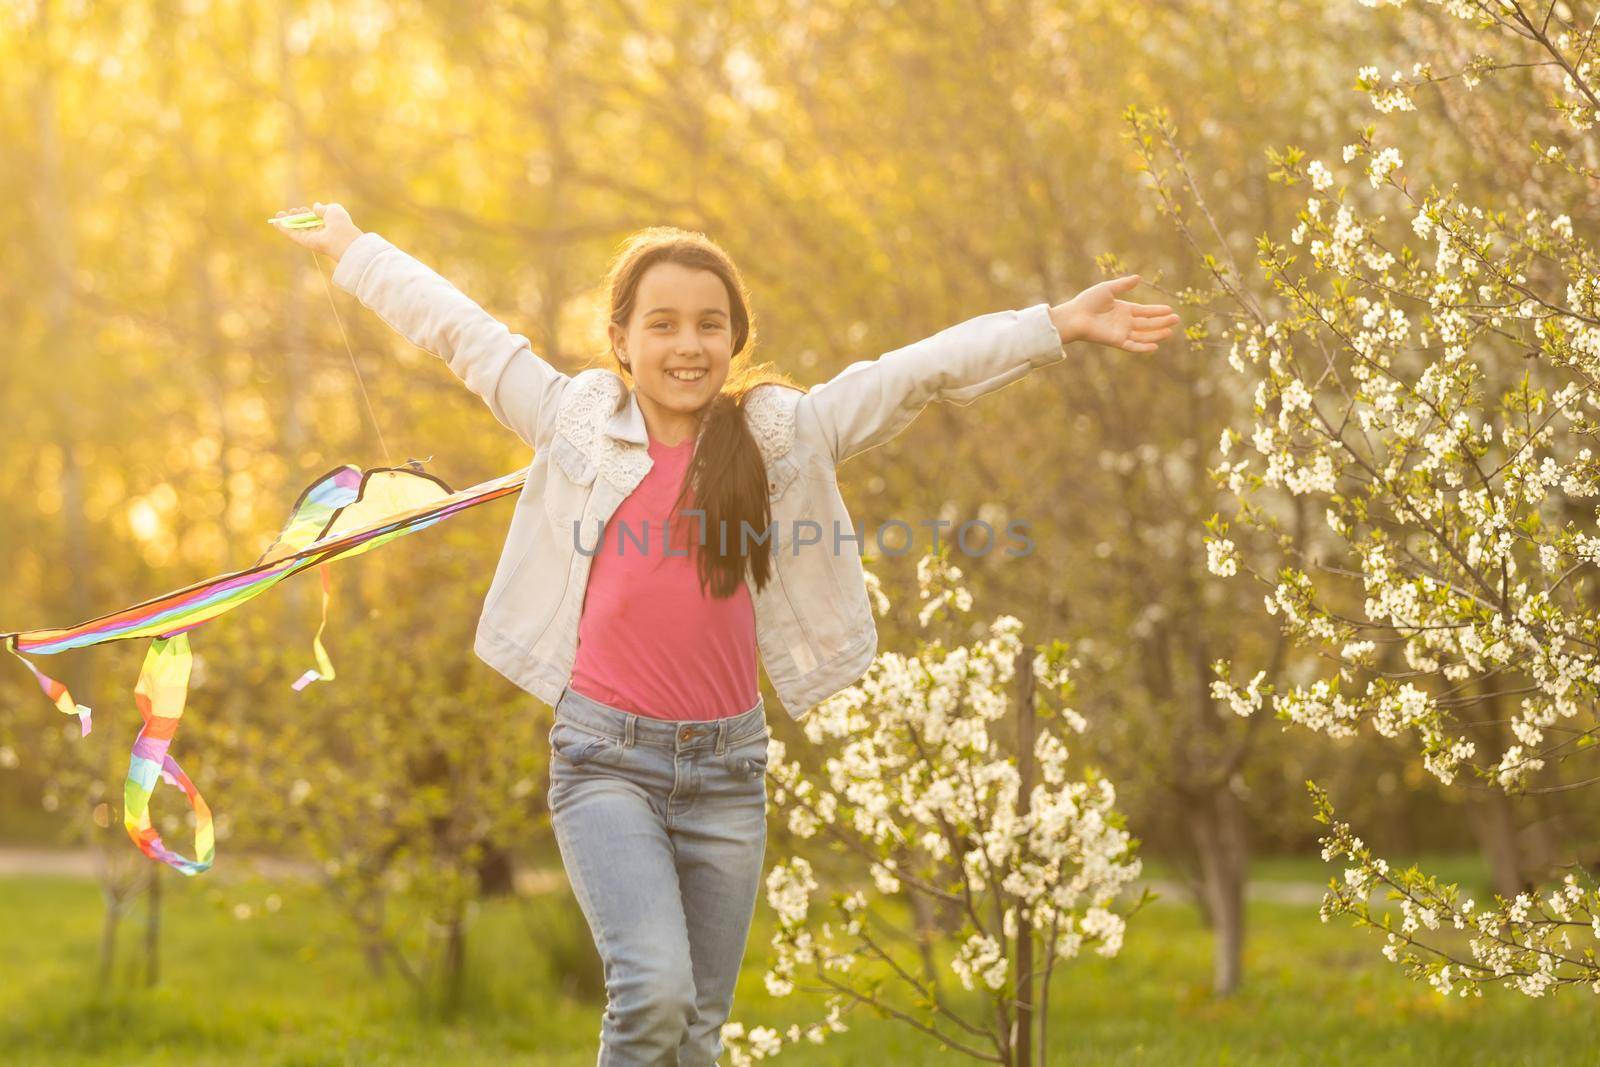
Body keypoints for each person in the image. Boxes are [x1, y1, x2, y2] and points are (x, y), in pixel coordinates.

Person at [272, 201, 1178, 1066]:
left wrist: (1053, 325)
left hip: (727, 771)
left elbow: (914, 371)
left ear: (735, 339)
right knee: (655, 989)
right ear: (620, 340)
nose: (687, 343)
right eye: (660, 323)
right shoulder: (575, 421)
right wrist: (355, 250)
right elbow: (462, 331)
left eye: (710, 323)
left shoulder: (779, 437)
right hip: (605, 761)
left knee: (699, 1031)